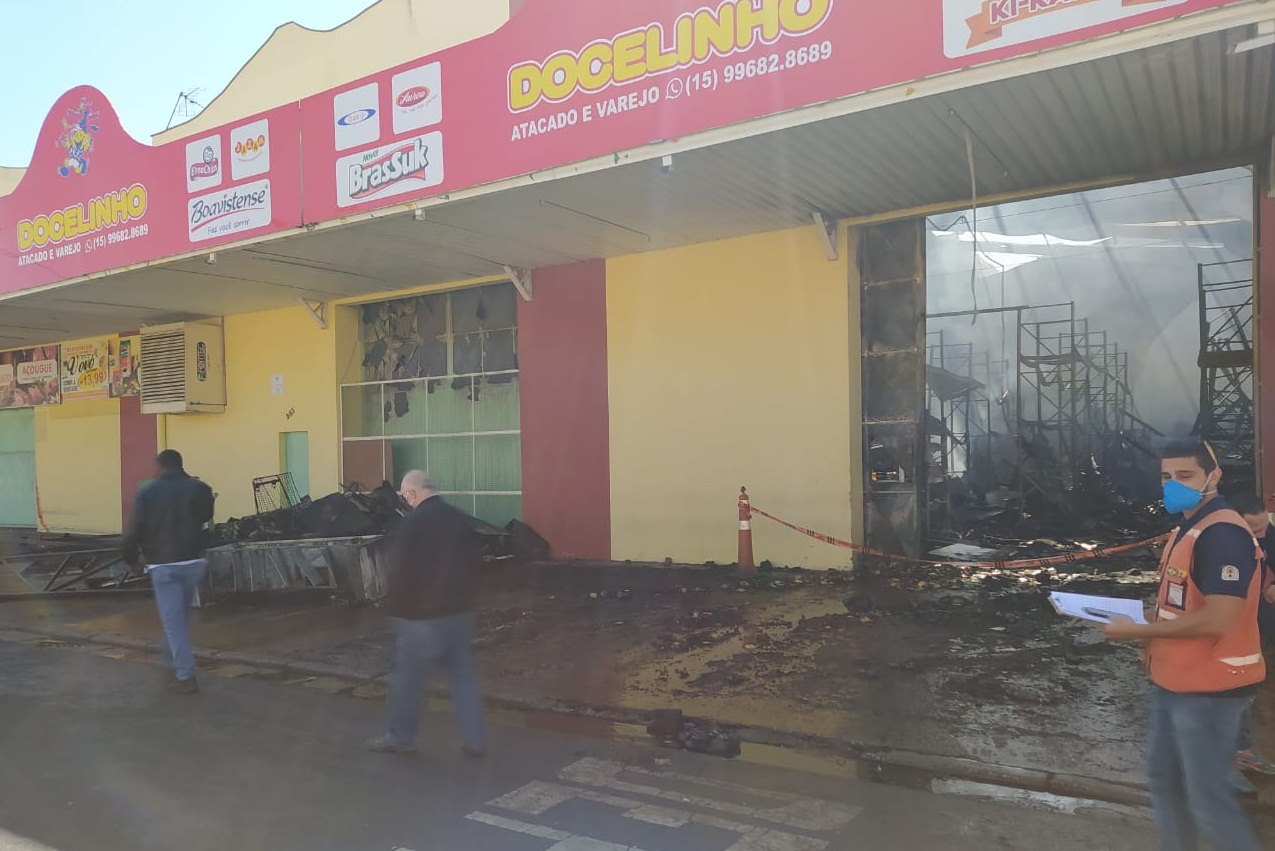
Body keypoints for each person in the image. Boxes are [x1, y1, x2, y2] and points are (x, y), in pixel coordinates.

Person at [1104, 439, 1264, 851]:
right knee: (1165, 780)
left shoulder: (1223, 534)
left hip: (1211, 687)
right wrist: (1145, 624)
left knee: (1208, 800)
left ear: (1214, 475)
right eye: (1166, 477)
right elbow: (1180, 604)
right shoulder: (1188, 529)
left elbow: (1219, 617)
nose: (1173, 485)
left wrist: (1136, 633)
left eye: (1185, 475)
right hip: (1176, 679)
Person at [366, 470, 487, 757]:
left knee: (409, 681)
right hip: (459, 613)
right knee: (462, 678)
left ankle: (400, 738)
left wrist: (398, 608)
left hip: (422, 617)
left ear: (412, 493)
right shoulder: (458, 518)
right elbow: (475, 562)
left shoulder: (413, 523)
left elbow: (400, 569)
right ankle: (476, 739)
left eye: (405, 496)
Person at [121, 450, 216, 694]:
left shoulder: (147, 493)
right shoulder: (200, 488)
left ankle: (185, 677)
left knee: (174, 624)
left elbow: (132, 532)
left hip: (164, 566)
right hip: (194, 562)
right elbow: (206, 515)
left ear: (161, 466)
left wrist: (131, 560)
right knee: (177, 619)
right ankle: (171, 664)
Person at [1226, 491, 1275, 788]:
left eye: (1264, 528)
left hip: (1256, 629)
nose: (1262, 536)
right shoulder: (1219, 546)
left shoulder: (1268, 534)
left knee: (1245, 693)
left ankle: (1242, 752)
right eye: (1255, 531)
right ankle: (1222, 764)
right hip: (1223, 632)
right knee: (1225, 697)